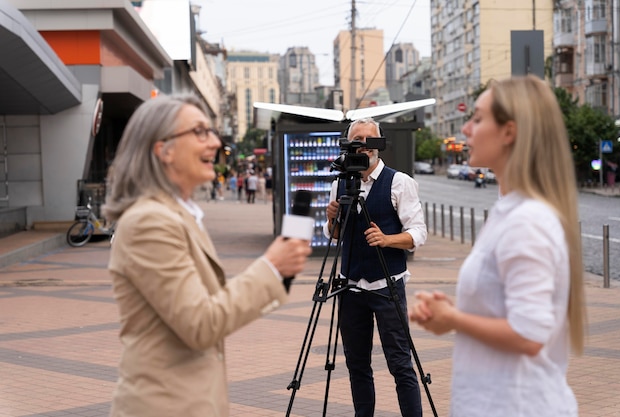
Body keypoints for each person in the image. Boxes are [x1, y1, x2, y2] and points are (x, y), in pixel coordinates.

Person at [103, 94, 312, 417]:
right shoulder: (149, 222)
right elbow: (200, 323)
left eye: (212, 131)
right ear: (164, 149)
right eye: (200, 131)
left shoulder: (181, 215)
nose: (215, 142)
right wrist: (271, 267)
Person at [409, 75, 586, 417]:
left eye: (477, 118)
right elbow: (508, 311)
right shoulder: (511, 210)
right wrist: (453, 313)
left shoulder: (528, 220)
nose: (465, 129)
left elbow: (529, 334)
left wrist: (455, 318)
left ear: (509, 132)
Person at [323, 118, 427, 417]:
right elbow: (336, 235)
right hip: (350, 285)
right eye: (357, 139)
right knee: (356, 364)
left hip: (387, 285)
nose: (363, 145)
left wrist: (387, 239)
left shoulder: (399, 182)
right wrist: (332, 219)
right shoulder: (339, 183)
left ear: (380, 145)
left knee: (400, 363)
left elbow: (418, 234)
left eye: (370, 140)